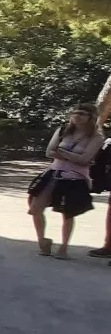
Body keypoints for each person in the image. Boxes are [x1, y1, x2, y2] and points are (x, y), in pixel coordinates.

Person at [27, 102, 104, 259]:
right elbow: (49, 152)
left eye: (82, 113)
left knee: (68, 213)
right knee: (35, 208)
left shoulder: (96, 136)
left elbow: (85, 159)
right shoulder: (63, 130)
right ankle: (43, 240)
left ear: (91, 117)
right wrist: (72, 156)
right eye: (75, 113)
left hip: (75, 177)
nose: (77, 116)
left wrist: (62, 152)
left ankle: (63, 247)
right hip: (53, 172)